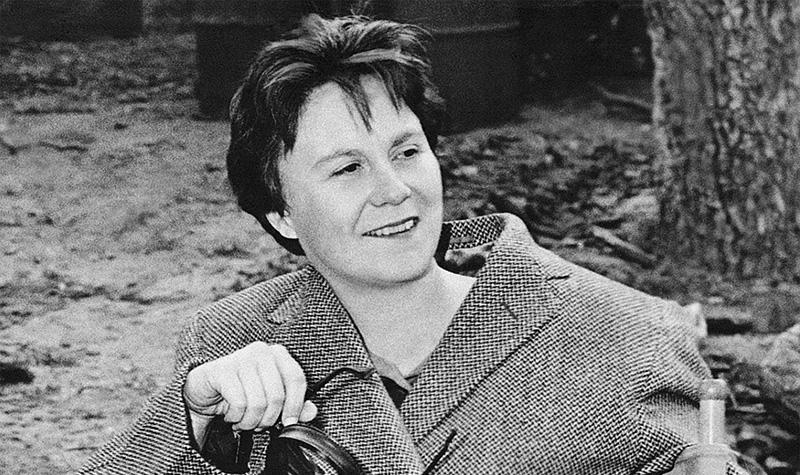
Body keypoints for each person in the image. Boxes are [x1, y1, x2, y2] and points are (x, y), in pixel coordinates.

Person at [80, 14, 748, 475]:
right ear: (282, 214)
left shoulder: (620, 334)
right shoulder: (230, 341)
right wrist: (194, 423)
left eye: (406, 151)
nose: (395, 190)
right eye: (347, 169)